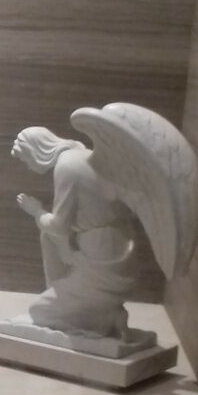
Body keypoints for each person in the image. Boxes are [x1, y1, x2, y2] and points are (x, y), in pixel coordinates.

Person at [12, 126, 138, 338]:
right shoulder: (83, 155)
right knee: (48, 237)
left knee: (40, 311)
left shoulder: (66, 166)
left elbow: (59, 225)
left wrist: (36, 211)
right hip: (118, 243)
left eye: (26, 160)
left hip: (101, 255)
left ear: (35, 151)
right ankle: (90, 306)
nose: (28, 167)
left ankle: (104, 318)